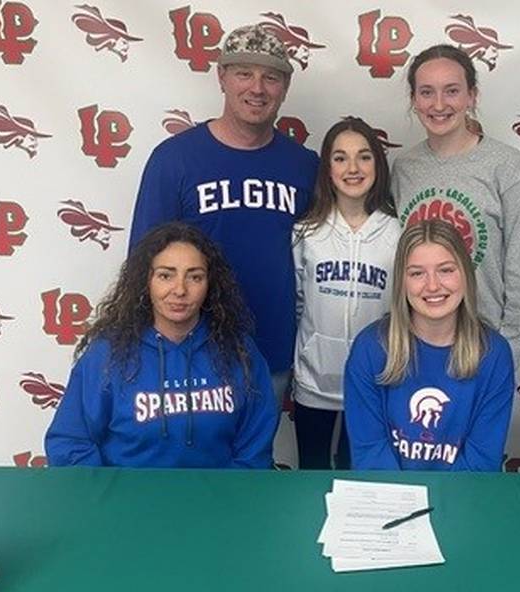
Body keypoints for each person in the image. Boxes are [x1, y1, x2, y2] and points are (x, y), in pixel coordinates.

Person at [129, 24, 319, 407]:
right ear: (222, 77)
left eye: (271, 77)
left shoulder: (304, 166)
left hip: (272, 351)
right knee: (190, 463)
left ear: (285, 86)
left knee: (254, 462)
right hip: (189, 350)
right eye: (243, 73)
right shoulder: (175, 160)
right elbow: (143, 263)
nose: (257, 88)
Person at [45, 223, 277, 468]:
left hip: (217, 500)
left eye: (194, 277)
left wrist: (225, 497)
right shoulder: (106, 354)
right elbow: (69, 442)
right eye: (166, 275)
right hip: (128, 501)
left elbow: (254, 448)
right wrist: (108, 497)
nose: (180, 290)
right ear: (147, 281)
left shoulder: (239, 351)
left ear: (210, 284)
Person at [391, 44, 520, 367]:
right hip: (414, 346)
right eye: (427, 92)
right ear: (414, 99)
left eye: (452, 91)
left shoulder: (506, 165)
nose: (439, 104)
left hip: (482, 343)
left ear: (472, 96)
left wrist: (508, 347)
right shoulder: (403, 168)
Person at [344, 219, 514, 471]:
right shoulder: (370, 348)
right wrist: (406, 504)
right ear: (402, 282)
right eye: (417, 273)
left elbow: (482, 458)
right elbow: (370, 451)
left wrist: (442, 505)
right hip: (391, 499)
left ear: (465, 274)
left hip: (462, 497)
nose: (433, 285)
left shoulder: (494, 354)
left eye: (445, 270)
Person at [292, 117, 400, 469]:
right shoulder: (305, 233)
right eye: (340, 158)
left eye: (364, 157)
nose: (352, 168)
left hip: (375, 384)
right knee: (312, 473)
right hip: (314, 382)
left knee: (362, 479)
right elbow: (297, 303)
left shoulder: (398, 233)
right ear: (327, 168)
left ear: (378, 166)